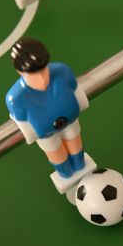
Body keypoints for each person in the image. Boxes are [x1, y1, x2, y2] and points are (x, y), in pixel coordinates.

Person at [5, 37, 89, 179]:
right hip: (46, 135)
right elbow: (27, 131)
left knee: (77, 153)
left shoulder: (63, 72)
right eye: (33, 74)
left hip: (71, 122)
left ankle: (80, 166)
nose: (42, 78)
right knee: (59, 158)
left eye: (44, 70)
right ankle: (66, 175)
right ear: (20, 72)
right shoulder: (16, 99)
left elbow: (80, 97)